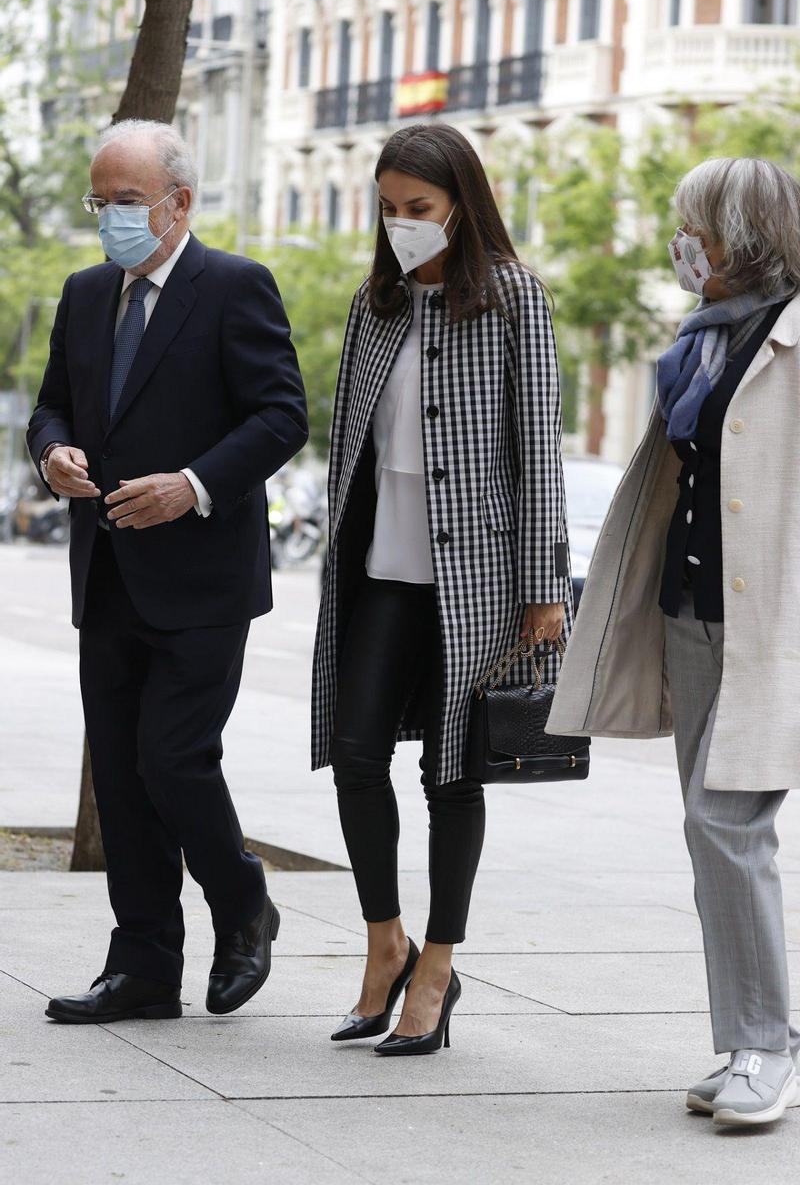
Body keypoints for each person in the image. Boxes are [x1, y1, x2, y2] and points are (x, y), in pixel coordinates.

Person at [27, 120, 307, 1024]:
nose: (108, 218)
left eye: (124, 202)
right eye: (97, 202)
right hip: (106, 570)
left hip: (202, 581)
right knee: (119, 770)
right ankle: (144, 966)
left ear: (178, 203)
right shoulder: (83, 293)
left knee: (172, 758)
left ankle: (242, 902)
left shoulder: (234, 287)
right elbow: (50, 408)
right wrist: (53, 454)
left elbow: (280, 417)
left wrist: (192, 485)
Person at [547, 157, 800, 1126]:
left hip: (768, 627)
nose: (676, 239)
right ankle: (747, 1033)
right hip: (691, 614)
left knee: (726, 827)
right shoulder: (700, 339)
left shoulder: (784, 344)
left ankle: (762, 1047)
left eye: (689, 222)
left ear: (741, 235)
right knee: (711, 832)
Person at [311, 123, 572, 1055]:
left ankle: (437, 970)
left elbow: (539, 448)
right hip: (380, 567)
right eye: (387, 210)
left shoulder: (513, 300)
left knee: (451, 774)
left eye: (417, 210)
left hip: (478, 579)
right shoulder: (371, 305)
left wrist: (544, 587)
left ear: (461, 203)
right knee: (352, 757)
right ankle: (385, 942)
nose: (401, 227)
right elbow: (356, 445)